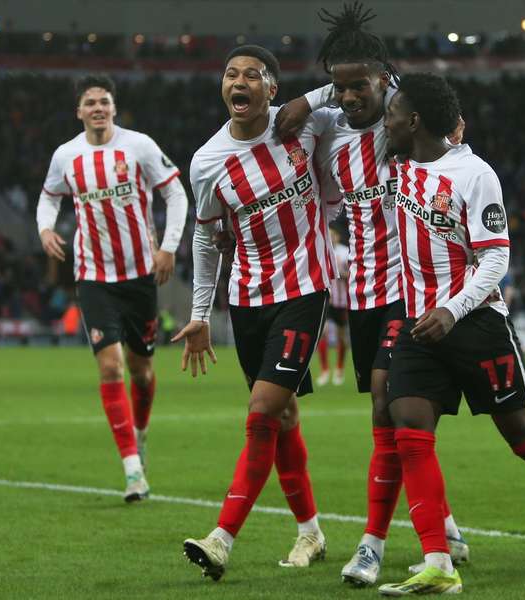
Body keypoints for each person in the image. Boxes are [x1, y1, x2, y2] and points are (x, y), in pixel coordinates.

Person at [377, 73, 525, 595]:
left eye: (393, 114)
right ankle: (439, 563)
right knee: (410, 432)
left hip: (476, 323)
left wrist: (453, 308)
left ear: (414, 121)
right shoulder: (398, 166)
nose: (386, 122)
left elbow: (496, 257)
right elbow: (371, 93)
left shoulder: (474, 173)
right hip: (421, 325)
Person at [275, 5, 469, 586]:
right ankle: (445, 528)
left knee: (391, 401)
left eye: (362, 83)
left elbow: (452, 141)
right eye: (343, 84)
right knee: (386, 418)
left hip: (410, 290)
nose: (352, 94)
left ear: (387, 79)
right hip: (359, 289)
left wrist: (378, 83)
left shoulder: (408, 125)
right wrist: (328, 92)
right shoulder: (331, 130)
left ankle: (372, 543)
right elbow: (284, 123)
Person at [173, 45, 336, 581]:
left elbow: (371, 89)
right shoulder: (207, 161)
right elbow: (205, 236)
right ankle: (311, 533)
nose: (237, 82)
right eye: (229, 74)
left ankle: (221, 538)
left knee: (262, 411)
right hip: (247, 300)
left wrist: (310, 98)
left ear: (272, 88)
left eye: (252, 75)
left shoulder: (305, 127)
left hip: (305, 288)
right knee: (284, 416)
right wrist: (201, 312)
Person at [36, 74, 187, 501]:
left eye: (104, 101)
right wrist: (46, 229)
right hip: (93, 276)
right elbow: (49, 196)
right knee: (109, 367)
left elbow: (175, 195)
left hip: (140, 275)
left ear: (114, 108)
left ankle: (140, 433)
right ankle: (133, 470)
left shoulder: (138, 146)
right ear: (79, 111)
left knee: (142, 371)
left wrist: (169, 248)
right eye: (90, 103)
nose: (98, 108)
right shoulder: (67, 155)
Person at [316, 226, 349, 386]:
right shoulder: (321, 250)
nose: (332, 237)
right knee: (323, 334)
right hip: (326, 300)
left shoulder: (345, 252)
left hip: (342, 301)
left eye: (334, 234)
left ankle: (340, 369)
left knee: (342, 336)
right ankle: (324, 370)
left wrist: (341, 274)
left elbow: (352, 273)